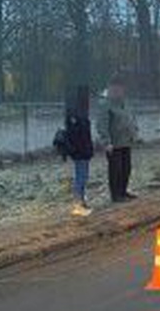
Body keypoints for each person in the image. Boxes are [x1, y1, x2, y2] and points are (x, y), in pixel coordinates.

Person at [96, 74, 139, 203]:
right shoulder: (105, 104)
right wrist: (106, 142)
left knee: (126, 168)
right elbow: (101, 125)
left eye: (120, 88)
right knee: (116, 170)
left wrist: (135, 132)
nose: (118, 91)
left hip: (126, 141)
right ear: (110, 88)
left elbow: (131, 119)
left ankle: (123, 191)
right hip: (113, 144)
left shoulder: (125, 103)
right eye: (115, 88)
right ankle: (115, 195)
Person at [65, 85, 94, 217]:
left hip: (83, 151)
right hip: (80, 151)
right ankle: (78, 204)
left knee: (83, 177)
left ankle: (81, 201)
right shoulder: (75, 115)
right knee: (80, 177)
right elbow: (77, 135)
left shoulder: (80, 114)